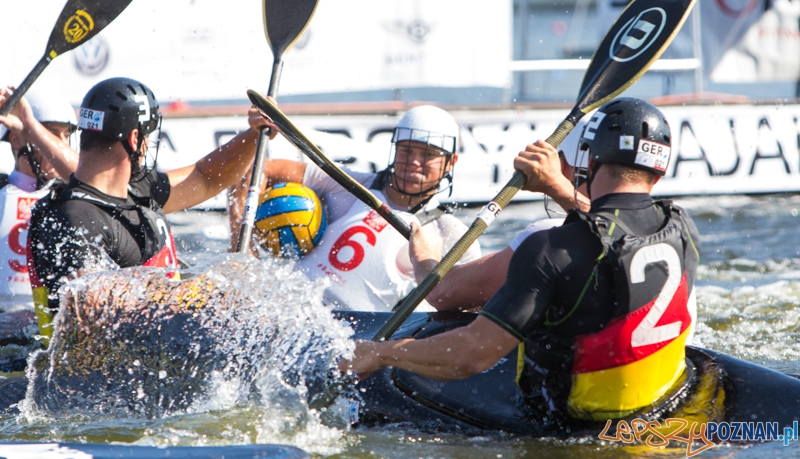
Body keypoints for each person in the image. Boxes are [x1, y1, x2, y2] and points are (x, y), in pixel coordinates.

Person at [341, 97, 700, 426]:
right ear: (660, 169)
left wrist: (381, 353)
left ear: (591, 160)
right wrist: (559, 188)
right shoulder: (684, 230)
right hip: (659, 420)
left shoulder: (550, 249)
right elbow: (614, 231)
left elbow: (473, 355)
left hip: (570, 432)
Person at [27, 77, 269, 341]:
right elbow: (93, 309)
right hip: (93, 378)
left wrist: (255, 135)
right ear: (134, 139)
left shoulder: (137, 187)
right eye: (147, 137)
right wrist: (205, 298)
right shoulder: (69, 218)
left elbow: (206, 177)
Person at [228, 105, 481, 312]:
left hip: (357, 345)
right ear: (395, 149)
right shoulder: (345, 184)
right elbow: (251, 170)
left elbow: (475, 307)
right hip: (283, 312)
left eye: (428, 155)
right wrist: (244, 254)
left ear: (451, 163)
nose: (414, 162)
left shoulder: (453, 235)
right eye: (407, 150)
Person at [411, 115, 593, 311]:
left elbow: (441, 292)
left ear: (561, 165)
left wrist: (424, 257)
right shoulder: (627, 234)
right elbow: (607, 224)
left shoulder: (548, 238)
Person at [0, 87, 78, 315]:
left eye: (66, 136)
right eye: (52, 134)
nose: (61, 145)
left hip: (47, 338)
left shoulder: (75, 199)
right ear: (16, 139)